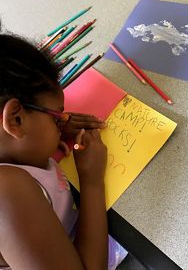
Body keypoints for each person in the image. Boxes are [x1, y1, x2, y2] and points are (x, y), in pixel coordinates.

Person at [0, 32, 127, 269]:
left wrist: (41, 139)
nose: (64, 121)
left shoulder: (13, 151)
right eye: (57, 118)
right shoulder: (7, 192)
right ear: (16, 121)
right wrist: (91, 180)